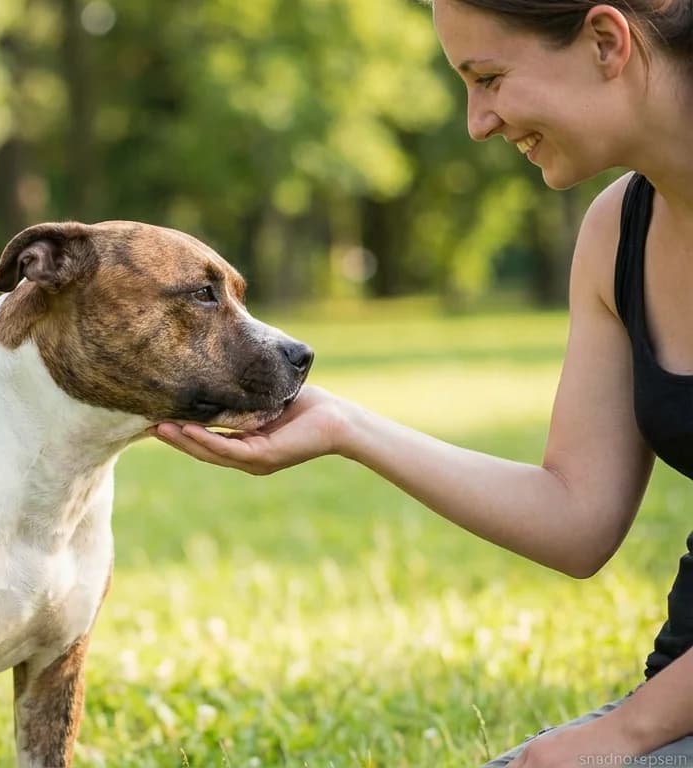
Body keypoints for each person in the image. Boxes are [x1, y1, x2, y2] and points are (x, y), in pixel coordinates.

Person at [151, 1, 693, 765]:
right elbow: (578, 515)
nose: (478, 122)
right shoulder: (615, 234)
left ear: (607, 41)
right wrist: (344, 426)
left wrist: (623, 735)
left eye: (490, 78)